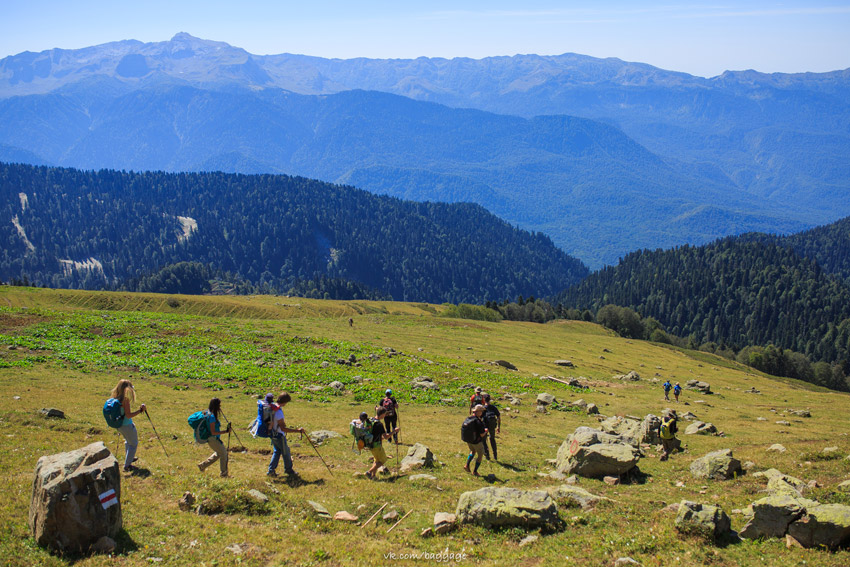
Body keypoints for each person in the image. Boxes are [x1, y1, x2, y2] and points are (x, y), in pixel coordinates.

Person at [109, 379, 146, 472]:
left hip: (119, 425)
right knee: (133, 444)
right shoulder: (125, 400)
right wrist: (140, 411)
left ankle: (129, 457)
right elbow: (128, 415)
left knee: (128, 441)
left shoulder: (115, 398)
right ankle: (127, 465)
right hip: (127, 425)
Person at [268, 392, 305, 477]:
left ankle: (271, 471)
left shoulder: (272, 407)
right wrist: (298, 431)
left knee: (277, 451)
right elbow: (283, 428)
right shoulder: (279, 413)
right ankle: (289, 470)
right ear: (285, 402)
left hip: (272, 433)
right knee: (286, 453)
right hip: (279, 436)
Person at [198, 398, 231, 477]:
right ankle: (224, 474)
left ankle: (202, 465)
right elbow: (213, 432)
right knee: (224, 454)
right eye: (219, 405)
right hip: (213, 439)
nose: (220, 407)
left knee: (219, 453)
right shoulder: (212, 417)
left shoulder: (208, 413)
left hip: (212, 439)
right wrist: (225, 432)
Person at [366, 407, 399, 479]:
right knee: (383, 460)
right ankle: (369, 472)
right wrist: (394, 431)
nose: (385, 416)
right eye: (384, 414)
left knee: (376, 460)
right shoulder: (379, 424)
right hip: (377, 445)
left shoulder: (371, 420)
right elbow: (386, 436)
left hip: (370, 444)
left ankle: (373, 476)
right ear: (382, 414)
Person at [462, 405, 488, 476]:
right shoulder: (478, 421)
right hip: (476, 441)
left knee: (472, 451)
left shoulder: (469, 418)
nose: (482, 413)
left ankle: (467, 465)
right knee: (480, 455)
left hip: (469, 440)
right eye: (481, 411)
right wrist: (486, 431)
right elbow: (482, 434)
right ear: (478, 412)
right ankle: (475, 471)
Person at [482, 394, 501, 461]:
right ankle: (495, 455)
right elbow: (498, 417)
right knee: (492, 439)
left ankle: (487, 455)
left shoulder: (483, 408)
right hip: (492, 426)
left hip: (485, 427)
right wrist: (498, 427)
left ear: (484, 399)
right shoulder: (493, 407)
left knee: (484, 440)